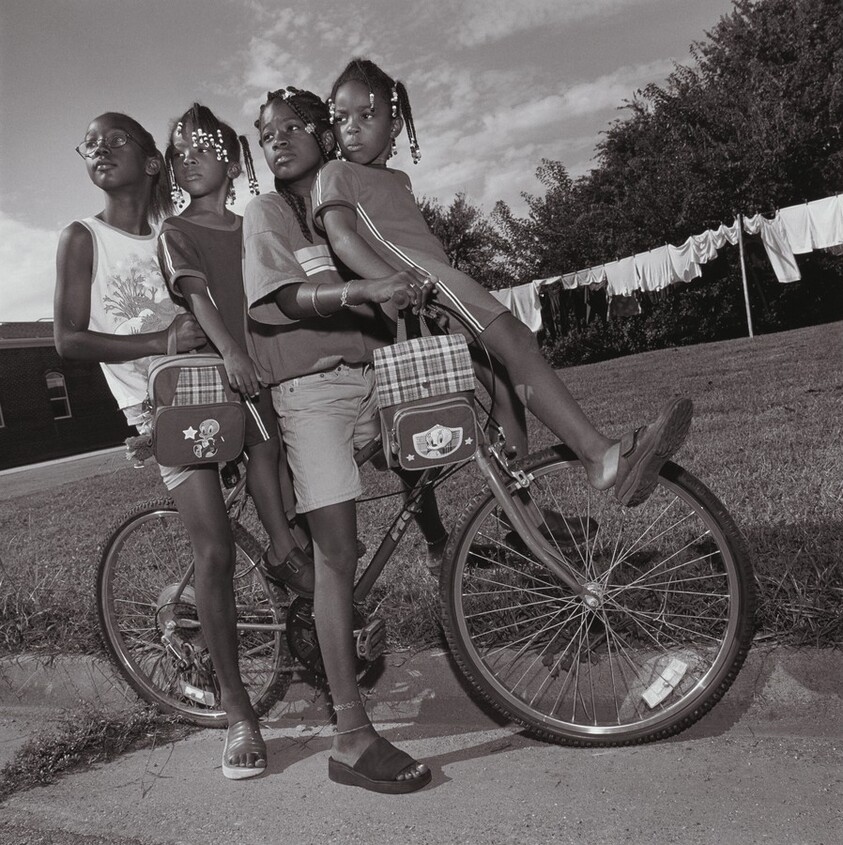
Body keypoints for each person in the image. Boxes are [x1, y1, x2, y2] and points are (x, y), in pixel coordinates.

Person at [313, 58, 693, 509]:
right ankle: (598, 454)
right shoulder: (337, 174)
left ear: (395, 124)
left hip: (435, 286)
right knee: (516, 339)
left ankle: (520, 519)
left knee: (507, 396)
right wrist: (390, 281)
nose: (351, 128)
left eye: (366, 114)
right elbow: (342, 237)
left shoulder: (399, 179)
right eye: (341, 118)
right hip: (426, 288)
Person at [243, 86, 445, 793]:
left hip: (372, 374)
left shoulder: (342, 203)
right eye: (266, 133)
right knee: (338, 552)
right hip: (311, 393)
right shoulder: (267, 213)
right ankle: (351, 737)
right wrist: (362, 293)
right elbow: (283, 299)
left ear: (324, 133)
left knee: (442, 438)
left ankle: (480, 540)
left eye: (292, 126)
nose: (277, 139)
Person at [54, 112, 265, 781]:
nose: (99, 149)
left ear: (153, 162)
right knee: (215, 547)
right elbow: (68, 339)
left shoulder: (180, 230)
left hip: (226, 383)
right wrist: (159, 341)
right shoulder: (84, 237)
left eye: (114, 139)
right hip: (161, 405)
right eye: (90, 144)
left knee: (293, 507)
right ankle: (238, 711)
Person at [158, 103, 312, 595]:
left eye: (202, 150)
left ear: (233, 166)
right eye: (179, 154)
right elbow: (198, 296)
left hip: (266, 359)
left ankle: (297, 543)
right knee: (264, 446)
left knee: (284, 452)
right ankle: (282, 551)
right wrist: (230, 352)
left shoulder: (251, 224)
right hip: (226, 366)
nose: (188, 160)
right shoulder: (177, 231)